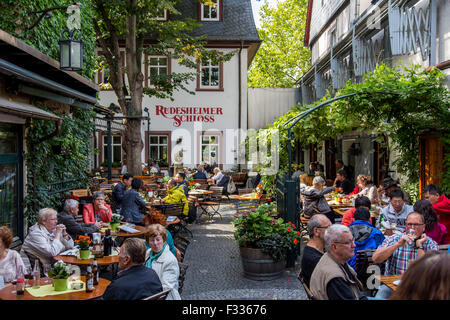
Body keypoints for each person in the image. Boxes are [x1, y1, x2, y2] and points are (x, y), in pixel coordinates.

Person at [310, 224, 367, 300]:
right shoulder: (336, 278)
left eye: (353, 240)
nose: (354, 245)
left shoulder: (330, 257)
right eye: (348, 242)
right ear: (334, 246)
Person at [21, 208, 74, 274]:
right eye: (53, 219)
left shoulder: (53, 230)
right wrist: (57, 235)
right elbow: (52, 252)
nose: (56, 221)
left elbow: (70, 246)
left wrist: (64, 234)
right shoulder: (35, 234)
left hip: (50, 267)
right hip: (36, 272)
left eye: (56, 219)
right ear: (44, 221)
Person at [145, 224, 181, 300]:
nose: (155, 243)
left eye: (158, 239)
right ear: (148, 242)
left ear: (164, 240)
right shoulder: (148, 253)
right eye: (152, 240)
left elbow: (165, 288)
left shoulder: (170, 260)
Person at [300, 214, 331, 287]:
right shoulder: (315, 259)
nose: (331, 231)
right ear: (316, 231)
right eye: (328, 227)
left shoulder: (317, 249)